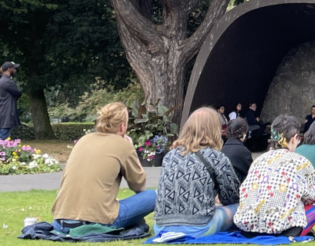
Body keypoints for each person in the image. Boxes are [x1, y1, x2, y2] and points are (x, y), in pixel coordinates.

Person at [51, 102, 156, 231]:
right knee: (152, 195)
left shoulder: (84, 140)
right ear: (123, 127)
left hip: (61, 223)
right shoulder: (122, 145)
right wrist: (131, 149)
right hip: (98, 222)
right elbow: (139, 186)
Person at [153, 107, 240, 239]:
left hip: (161, 227)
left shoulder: (169, 156)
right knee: (240, 207)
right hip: (199, 227)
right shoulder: (217, 157)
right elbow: (233, 197)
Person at [222, 117, 253, 183]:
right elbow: (252, 173)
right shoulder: (244, 151)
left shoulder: (222, 150)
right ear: (243, 133)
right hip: (238, 188)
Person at [0, 61, 22, 140]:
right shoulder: (8, 82)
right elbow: (18, 93)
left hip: (2, 113)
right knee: (3, 140)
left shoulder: (1, 81)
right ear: (9, 69)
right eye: (14, 68)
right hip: (6, 114)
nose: (15, 70)